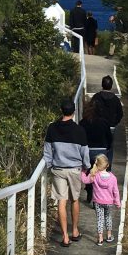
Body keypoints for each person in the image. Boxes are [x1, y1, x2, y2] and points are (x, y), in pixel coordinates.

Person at [42, 97, 90, 247]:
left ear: (61, 110)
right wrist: (86, 166)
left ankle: (65, 237)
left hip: (58, 169)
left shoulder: (52, 128)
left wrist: (50, 165)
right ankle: (74, 231)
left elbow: (47, 151)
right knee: (75, 199)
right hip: (75, 169)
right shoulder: (79, 130)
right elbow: (85, 152)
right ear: (74, 112)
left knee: (61, 202)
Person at [80, 154, 121, 245]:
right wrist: (117, 202)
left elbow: (84, 180)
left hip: (98, 202)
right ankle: (109, 236)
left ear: (97, 165)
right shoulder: (113, 178)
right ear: (107, 165)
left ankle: (100, 238)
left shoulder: (94, 175)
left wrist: (83, 171)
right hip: (109, 202)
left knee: (100, 219)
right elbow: (116, 191)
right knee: (108, 217)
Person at [80, 98, 112, 204]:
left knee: (89, 172)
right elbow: (109, 138)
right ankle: (97, 198)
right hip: (101, 150)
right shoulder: (104, 122)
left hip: (87, 150)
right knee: (100, 173)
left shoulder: (83, 122)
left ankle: (89, 191)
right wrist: (107, 148)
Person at [92, 75, 123, 147]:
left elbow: (90, 110)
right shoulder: (115, 99)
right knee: (110, 146)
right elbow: (120, 113)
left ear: (102, 85)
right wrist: (114, 122)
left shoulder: (96, 97)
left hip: (98, 125)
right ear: (111, 86)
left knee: (98, 144)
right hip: (111, 125)